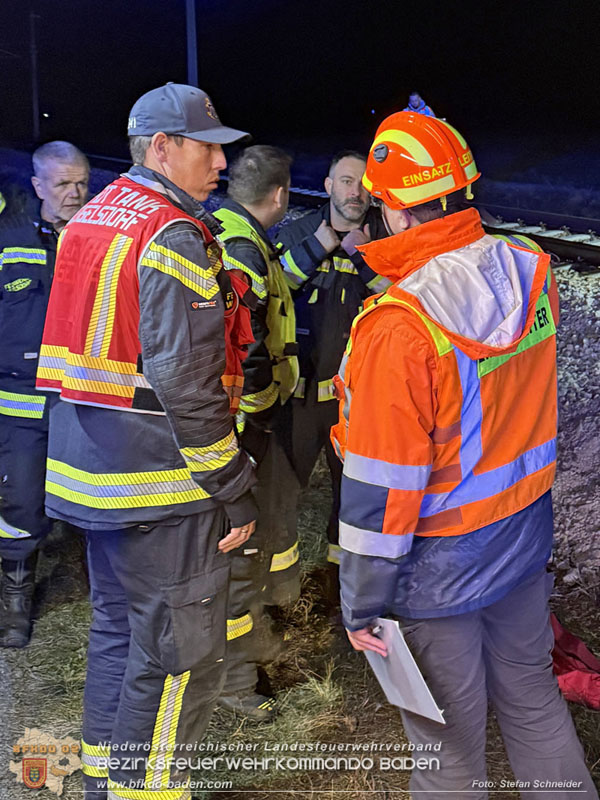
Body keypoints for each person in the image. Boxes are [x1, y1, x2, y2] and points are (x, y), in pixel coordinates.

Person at [331, 112, 598, 799]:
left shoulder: (398, 327)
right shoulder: (530, 271)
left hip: (436, 568)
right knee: (534, 701)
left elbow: (382, 488)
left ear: (392, 208)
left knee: (447, 746)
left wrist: (361, 600)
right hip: (521, 540)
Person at [36, 83, 257, 800]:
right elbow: (188, 385)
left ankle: (104, 781)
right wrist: (232, 484)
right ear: (161, 148)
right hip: (160, 481)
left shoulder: (94, 216)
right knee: (178, 656)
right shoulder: (172, 233)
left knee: (117, 633)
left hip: (91, 474)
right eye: (208, 150)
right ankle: (148, 791)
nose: (221, 167)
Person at [214, 144, 300, 720]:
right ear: (280, 196)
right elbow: (245, 351)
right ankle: (232, 680)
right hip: (242, 427)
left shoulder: (220, 227)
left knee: (251, 538)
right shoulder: (244, 247)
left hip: (229, 425)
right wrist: (265, 409)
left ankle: (250, 644)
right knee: (236, 554)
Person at [276, 151, 389, 589]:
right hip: (302, 394)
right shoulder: (300, 233)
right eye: (346, 181)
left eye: (363, 184)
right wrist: (318, 247)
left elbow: (398, 297)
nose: (355, 192)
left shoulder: (383, 239)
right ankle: (278, 586)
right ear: (328, 186)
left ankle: (334, 582)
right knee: (285, 486)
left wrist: (361, 258)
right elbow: (274, 288)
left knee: (351, 495)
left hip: (357, 398)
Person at [0, 141, 89, 648]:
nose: (75, 193)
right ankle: (15, 599)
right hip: (20, 401)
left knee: (92, 497)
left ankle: (103, 585)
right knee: (22, 502)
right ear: (37, 187)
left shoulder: (99, 233)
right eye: (62, 184)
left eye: (81, 182)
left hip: (83, 394)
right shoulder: (9, 236)